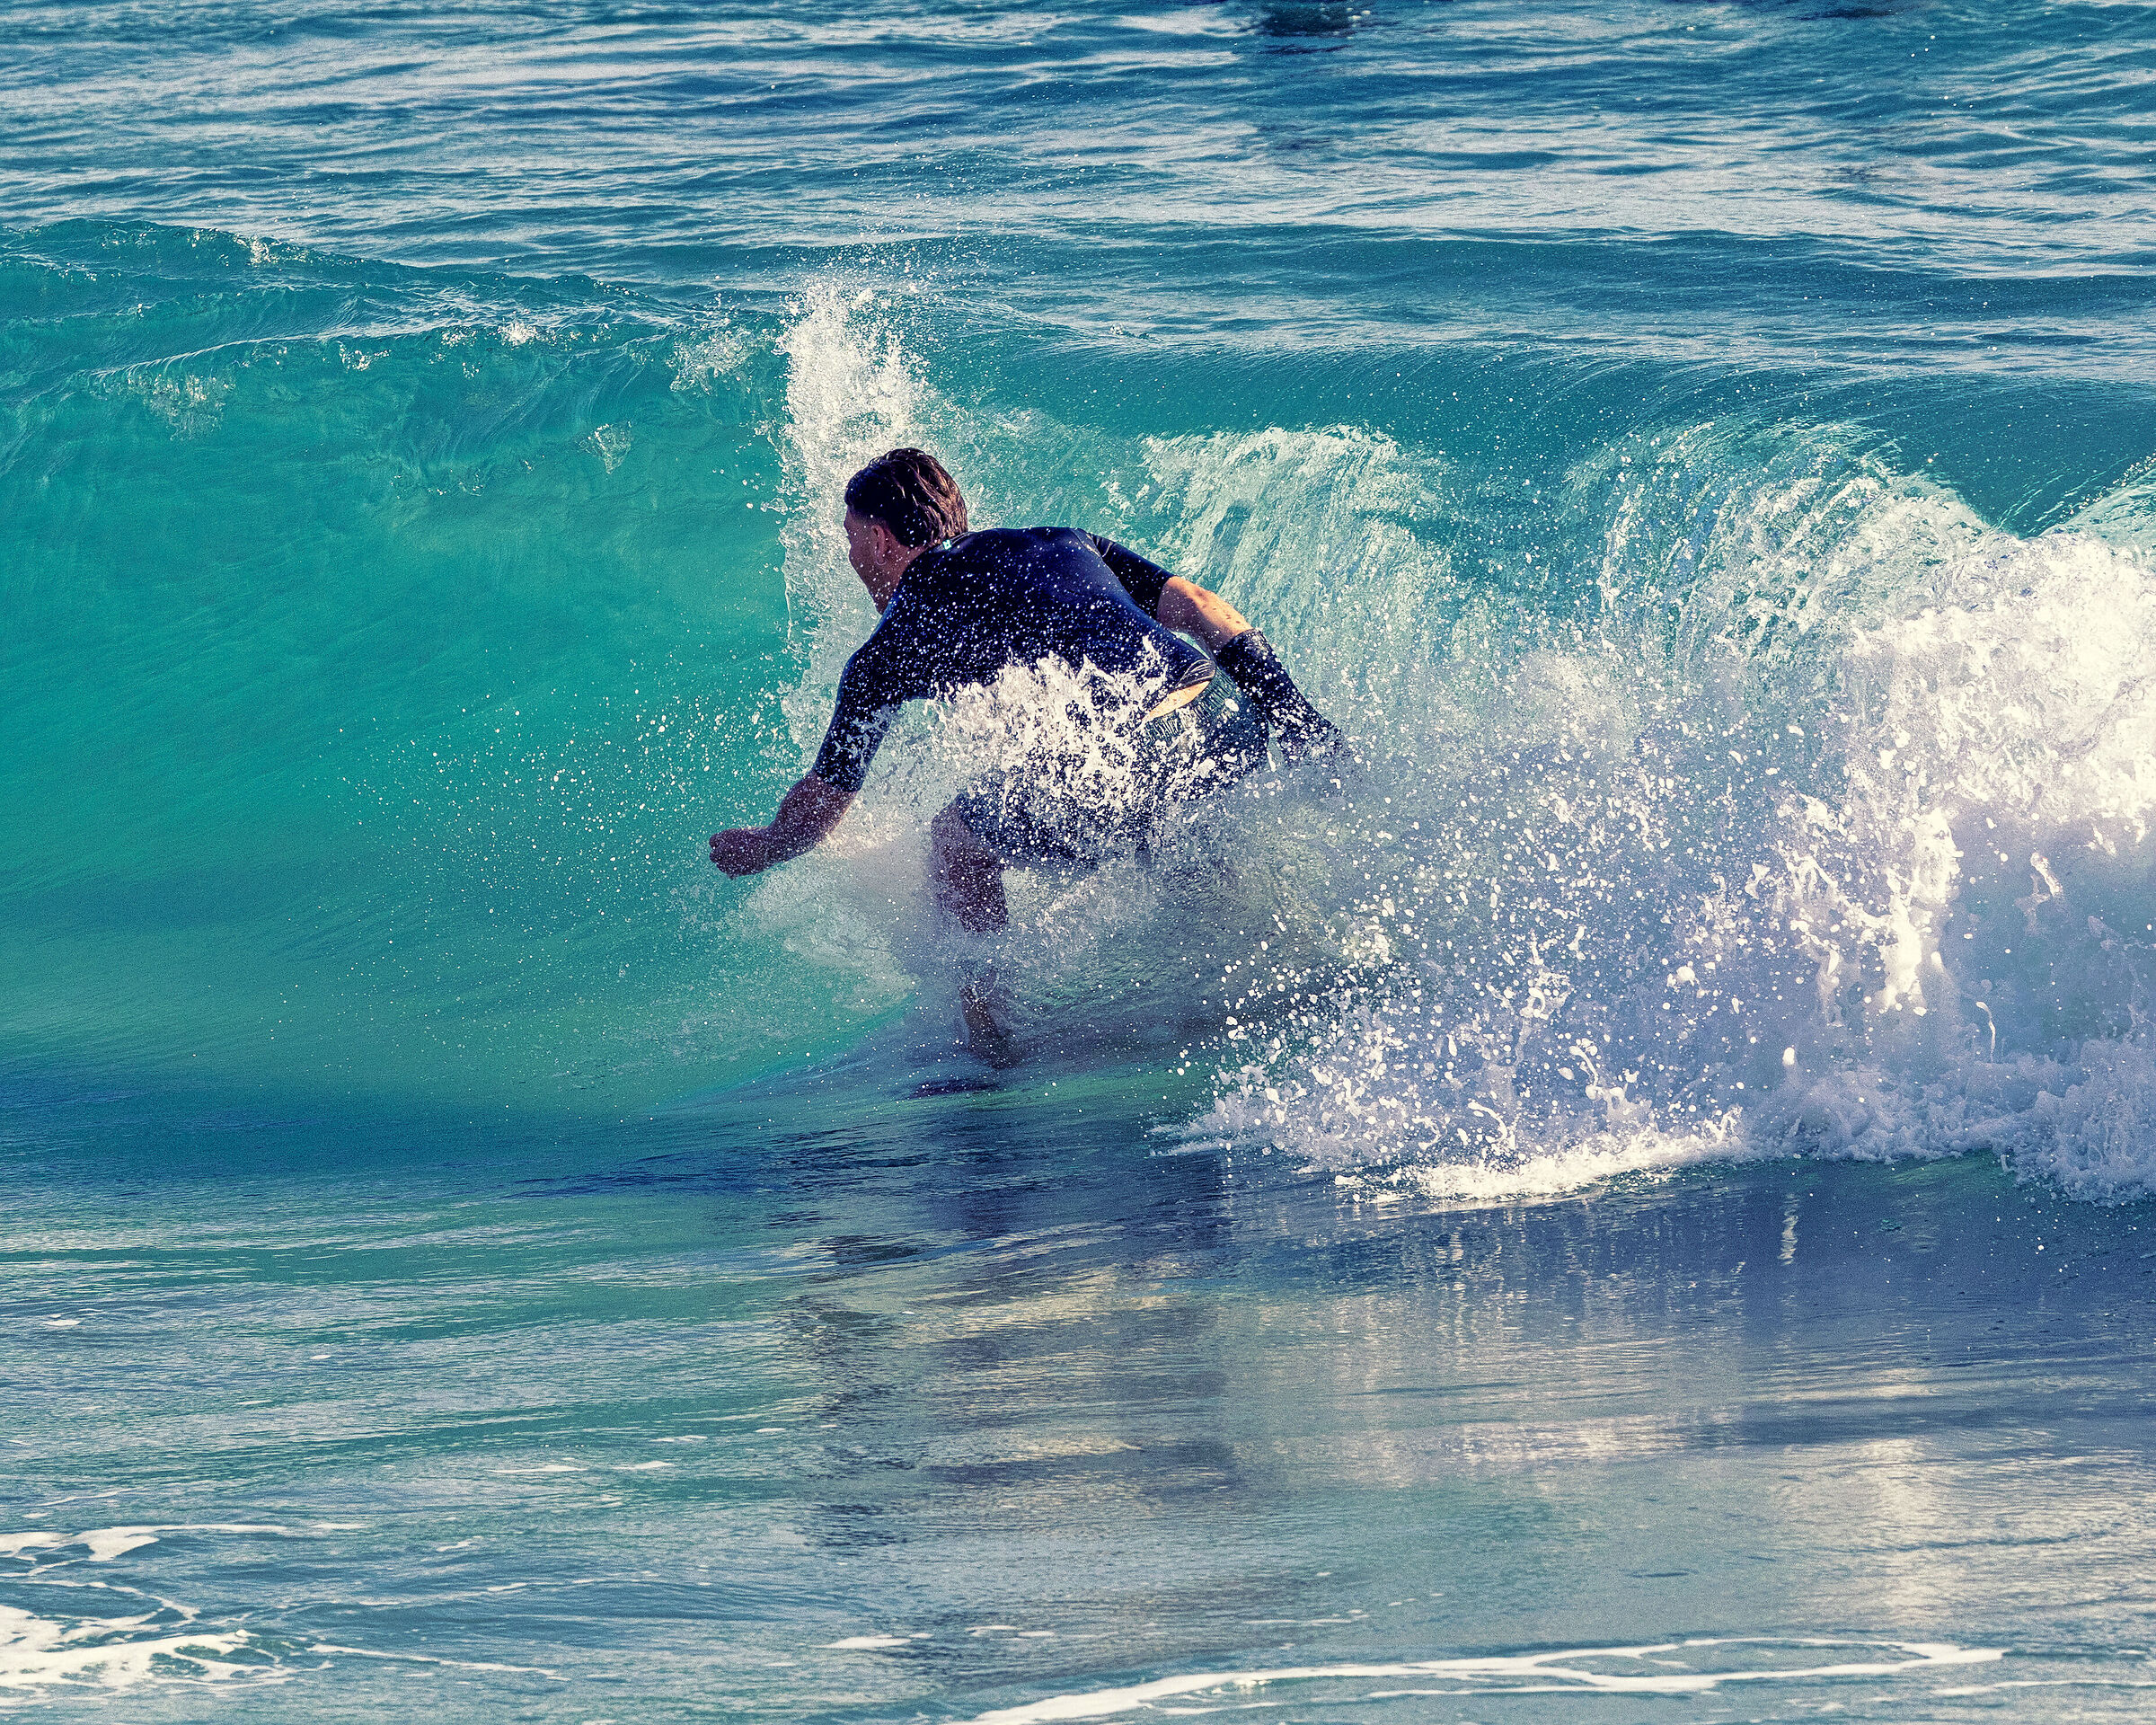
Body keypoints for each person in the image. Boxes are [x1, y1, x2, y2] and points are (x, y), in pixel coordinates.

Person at [710, 447, 1340, 946]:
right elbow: (1203, 609)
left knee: (957, 840)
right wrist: (1297, 719)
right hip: (1221, 715)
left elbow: (826, 800)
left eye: (851, 539)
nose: (851, 556)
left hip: (1135, 750)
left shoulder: (890, 647)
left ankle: (989, 1051)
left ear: (879, 542)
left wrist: (768, 845)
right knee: (1175, 847)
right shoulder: (1062, 540)